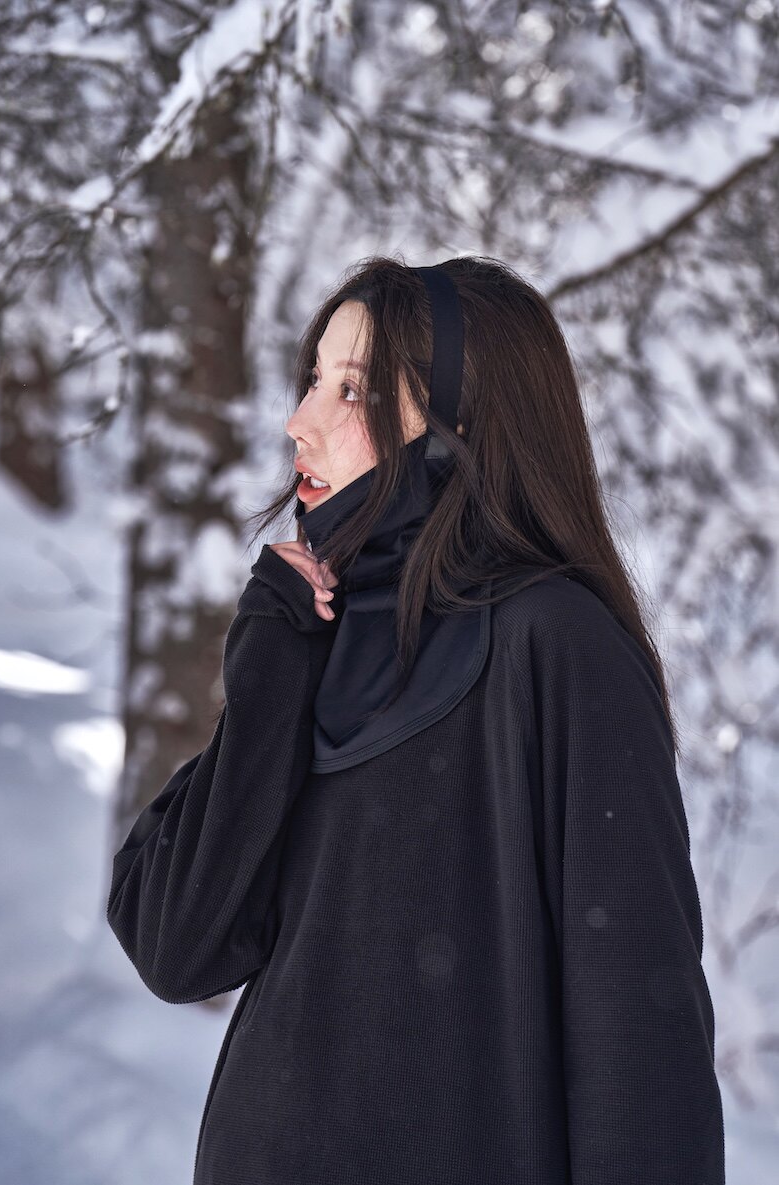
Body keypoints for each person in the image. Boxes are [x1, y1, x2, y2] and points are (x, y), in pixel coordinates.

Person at [106, 254, 726, 1184]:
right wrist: (269, 670)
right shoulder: (314, 640)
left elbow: (641, 1036)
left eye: (351, 389)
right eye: (313, 378)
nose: (299, 421)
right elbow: (175, 942)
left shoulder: (557, 645)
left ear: (459, 419)